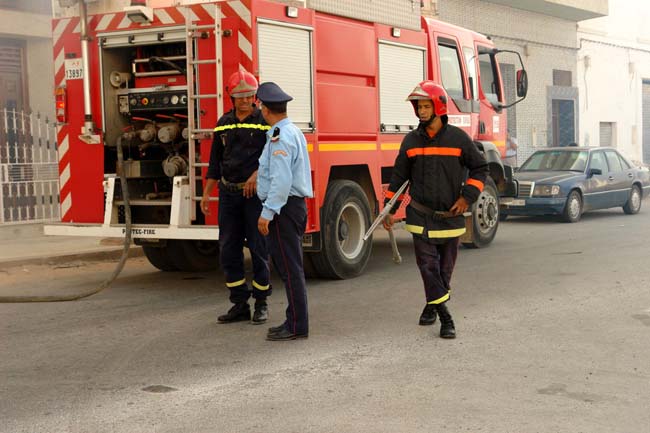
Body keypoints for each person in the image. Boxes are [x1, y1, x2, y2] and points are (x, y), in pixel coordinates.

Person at [382, 81, 488, 339]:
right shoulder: (410, 141)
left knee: (444, 270)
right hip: (420, 216)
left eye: (426, 105)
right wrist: (389, 209)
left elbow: (480, 169)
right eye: (419, 106)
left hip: (450, 218)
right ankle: (445, 317)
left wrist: (467, 198)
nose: (422, 111)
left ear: (438, 107)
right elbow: (398, 180)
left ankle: (432, 304)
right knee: (428, 266)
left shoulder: (458, 139)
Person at [201, 70, 272, 325]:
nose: (245, 100)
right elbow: (214, 162)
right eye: (240, 96)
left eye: (250, 96)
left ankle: (262, 303)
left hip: (254, 196)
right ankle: (239, 303)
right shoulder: (223, 123)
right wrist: (207, 194)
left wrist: (257, 174)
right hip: (229, 195)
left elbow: (272, 156)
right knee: (228, 249)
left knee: (258, 247)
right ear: (232, 97)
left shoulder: (263, 122)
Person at [255, 82, 313, 341]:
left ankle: (297, 326)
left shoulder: (279, 135)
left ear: (265, 110)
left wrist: (267, 212)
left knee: (290, 269)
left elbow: (281, 180)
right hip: (291, 207)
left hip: (284, 210)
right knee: (292, 267)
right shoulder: (292, 132)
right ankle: (294, 320)